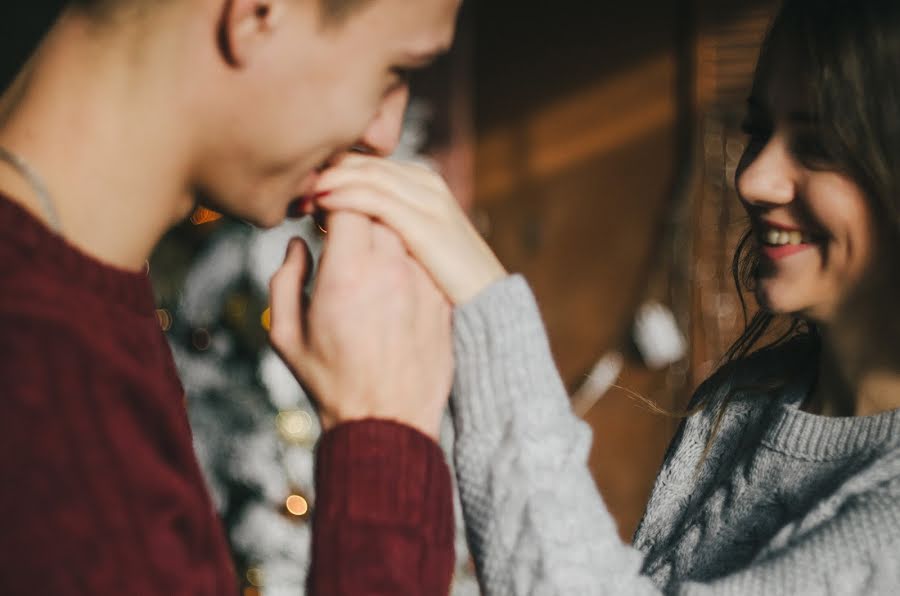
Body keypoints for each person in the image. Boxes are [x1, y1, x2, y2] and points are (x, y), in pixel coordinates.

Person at [308, 0, 900, 592]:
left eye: (819, 147)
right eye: (758, 129)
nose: (753, 179)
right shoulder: (743, 400)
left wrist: (487, 301)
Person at [0, 0, 463, 594]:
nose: (384, 135)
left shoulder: (78, 308)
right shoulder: (37, 384)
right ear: (259, 14)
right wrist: (384, 443)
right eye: (396, 69)